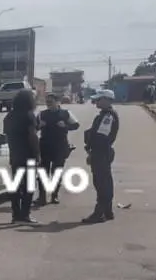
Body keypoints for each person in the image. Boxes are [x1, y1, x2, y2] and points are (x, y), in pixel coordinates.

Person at [3, 89, 41, 224]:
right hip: (28, 154)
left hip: (15, 155)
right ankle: (25, 214)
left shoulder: (9, 117)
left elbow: (8, 137)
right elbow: (33, 136)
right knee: (29, 186)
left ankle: (16, 214)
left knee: (16, 185)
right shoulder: (29, 116)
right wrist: (37, 154)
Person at [82, 89, 120, 223]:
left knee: (102, 183)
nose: (96, 102)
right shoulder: (104, 115)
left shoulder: (108, 116)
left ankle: (100, 213)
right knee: (103, 181)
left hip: (101, 152)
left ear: (106, 100)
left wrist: (92, 151)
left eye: (99, 99)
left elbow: (101, 137)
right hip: (100, 152)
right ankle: (107, 211)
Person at [35, 94, 80, 206]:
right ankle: (42, 197)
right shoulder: (42, 114)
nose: (48, 103)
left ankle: (54, 196)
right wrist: (39, 126)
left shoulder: (65, 113)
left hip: (60, 146)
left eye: (50, 101)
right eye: (47, 101)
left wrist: (65, 126)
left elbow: (76, 125)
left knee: (56, 172)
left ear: (57, 102)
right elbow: (33, 127)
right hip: (44, 146)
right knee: (42, 172)